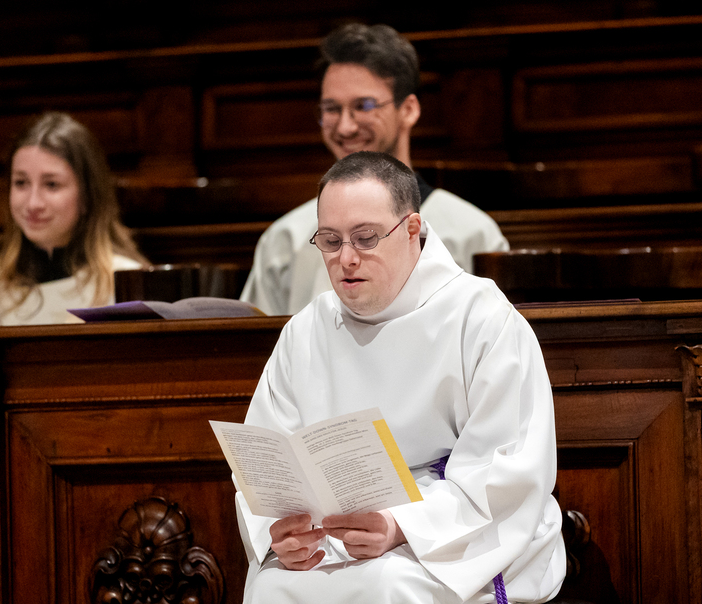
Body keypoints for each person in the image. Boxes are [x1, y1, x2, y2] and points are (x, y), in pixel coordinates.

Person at [236, 151, 565, 603]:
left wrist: (400, 526)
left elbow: (507, 469)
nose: (346, 258)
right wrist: (283, 532)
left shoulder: (481, 318)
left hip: (449, 536)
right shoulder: (305, 331)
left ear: (411, 230)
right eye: (330, 241)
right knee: (272, 587)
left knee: (386, 586)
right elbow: (270, 461)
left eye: (365, 238)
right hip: (334, 536)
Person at [240, 23, 509, 315]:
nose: (345, 127)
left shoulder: (471, 234)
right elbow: (258, 341)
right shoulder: (285, 241)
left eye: (364, 106)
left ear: (408, 109)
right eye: (331, 109)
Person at [0, 112, 147, 328]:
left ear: (87, 196)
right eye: (21, 183)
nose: (33, 203)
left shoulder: (128, 287)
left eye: (51, 184)